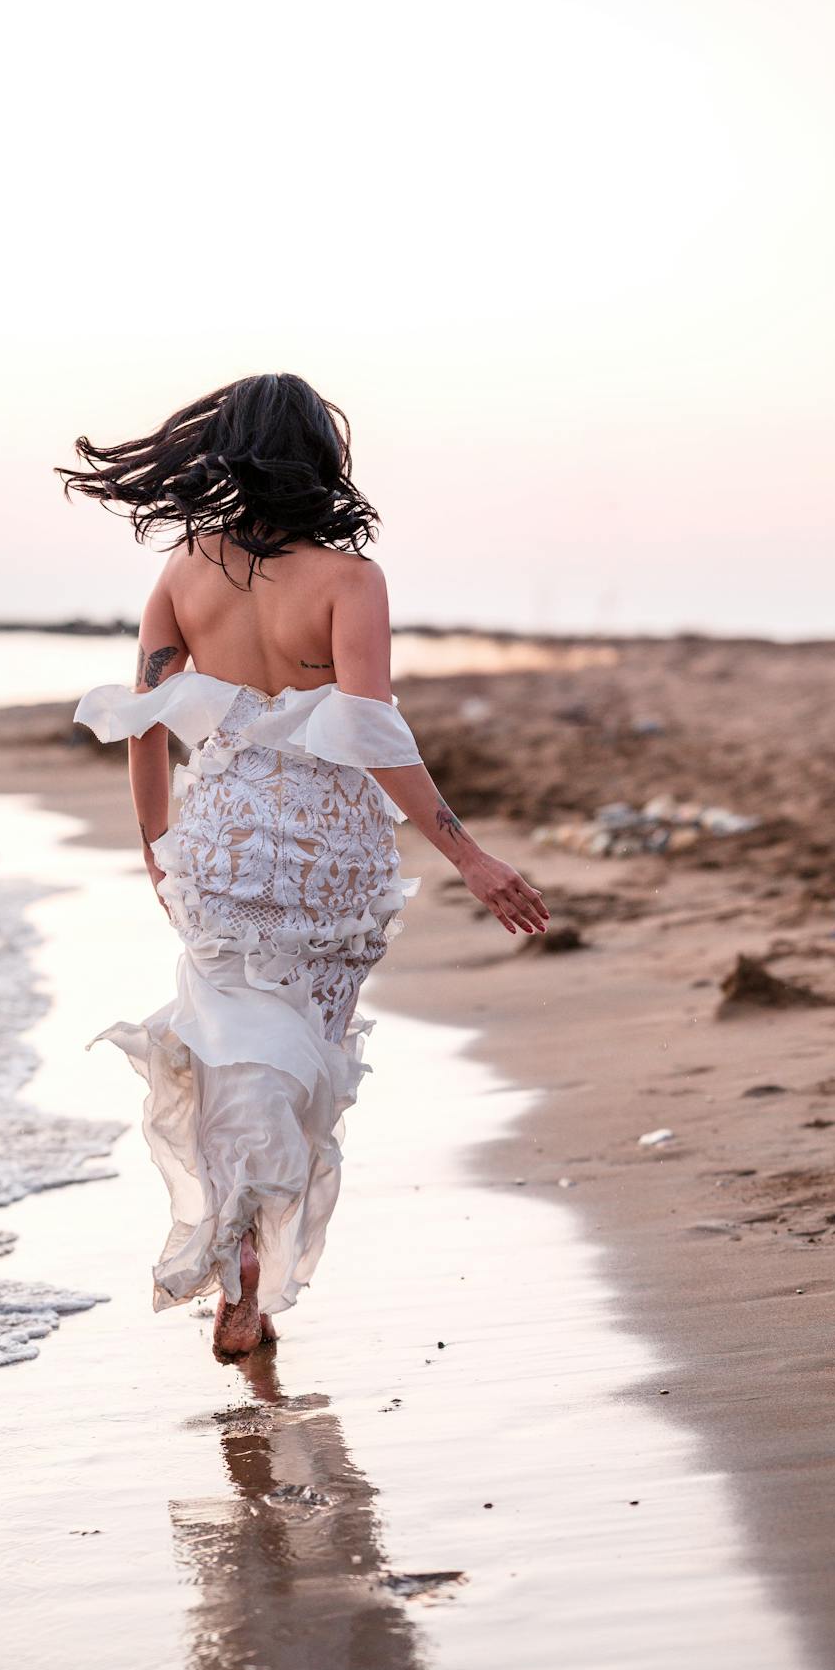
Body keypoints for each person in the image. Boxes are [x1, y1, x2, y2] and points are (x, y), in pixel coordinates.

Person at [58, 373, 548, 1360]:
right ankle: (255, 1246)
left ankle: (235, 1243)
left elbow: (147, 729)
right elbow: (372, 735)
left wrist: (158, 851)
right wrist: (469, 855)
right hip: (329, 854)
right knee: (303, 1062)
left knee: (231, 1038)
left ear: (225, 452)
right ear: (322, 460)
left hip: (221, 847)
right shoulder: (350, 582)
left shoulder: (186, 572)